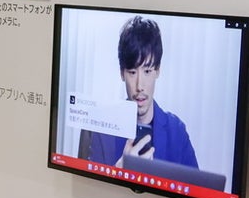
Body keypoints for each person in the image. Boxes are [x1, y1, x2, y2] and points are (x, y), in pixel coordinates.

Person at [81, 15, 198, 169]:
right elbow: (87, 183)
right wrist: (120, 171)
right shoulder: (101, 129)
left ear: (157, 71)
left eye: (147, 71)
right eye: (132, 72)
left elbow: (196, 183)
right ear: (122, 73)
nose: (140, 86)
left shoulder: (176, 131)